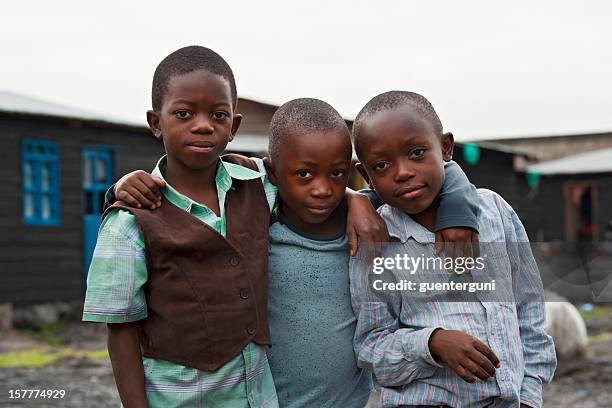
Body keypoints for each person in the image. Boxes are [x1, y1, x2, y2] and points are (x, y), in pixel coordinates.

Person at [112, 96, 482, 407]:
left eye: (337, 175)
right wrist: (124, 185)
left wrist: (361, 199)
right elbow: (206, 175)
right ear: (273, 173)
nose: (322, 189)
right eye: (304, 176)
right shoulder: (255, 224)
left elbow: (435, 165)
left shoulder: (372, 230)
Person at [350, 91, 556, 408]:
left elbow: (528, 312)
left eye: (417, 153)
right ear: (366, 175)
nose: (402, 171)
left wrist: (529, 395)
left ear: (445, 147)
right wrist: (432, 344)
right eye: (382, 164)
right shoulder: (376, 240)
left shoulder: (495, 213)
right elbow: (371, 347)